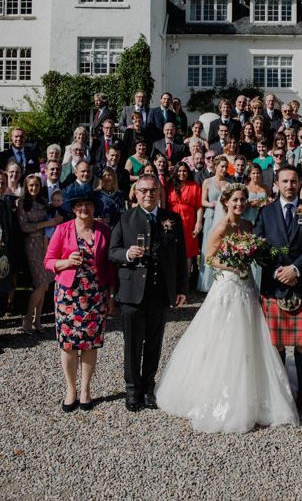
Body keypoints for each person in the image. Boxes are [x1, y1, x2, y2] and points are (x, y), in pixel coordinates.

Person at [155, 183, 299, 432]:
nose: (240, 204)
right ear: (226, 202)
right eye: (235, 200)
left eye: (243, 200)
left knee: (251, 334)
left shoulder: (247, 225)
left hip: (247, 284)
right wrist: (232, 265)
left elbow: (253, 250)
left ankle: (255, 389)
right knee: (225, 336)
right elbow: (209, 258)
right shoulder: (221, 225)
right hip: (228, 285)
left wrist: (249, 257)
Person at [109, 174, 187, 412]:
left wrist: (181, 288)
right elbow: (112, 252)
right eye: (143, 190)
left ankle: (148, 388)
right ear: (136, 192)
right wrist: (127, 254)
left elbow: (180, 257)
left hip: (160, 291)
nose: (148, 195)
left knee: (154, 343)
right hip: (132, 291)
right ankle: (132, 391)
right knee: (132, 344)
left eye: (153, 191)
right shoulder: (125, 218)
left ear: (159, 193)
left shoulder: (171, 219)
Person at [253, 165, 302, 418]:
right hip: (274, 286)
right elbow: (257, 245)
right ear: (277, 184)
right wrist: (277, 272)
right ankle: (281, 392)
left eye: (294, 181)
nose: (289, 185)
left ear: (299, 184)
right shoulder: (265, 212)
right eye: (285, 181)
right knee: (278, 345)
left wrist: (295, 269)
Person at [44, 193, 116, 412]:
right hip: (68, 295)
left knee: (90, 343)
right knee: (68, 344)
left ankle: (85, 389)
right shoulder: (63, 229)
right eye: (80, 205)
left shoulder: (104, 230)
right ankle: (70, 389)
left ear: (94, 209)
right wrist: (65, 262)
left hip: (96, 295)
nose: (84, 208)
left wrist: (112, 296)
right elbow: (48, 261)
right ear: (74, 209)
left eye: (88, 205)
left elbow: (111, 267)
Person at [18, 174, 62, 334]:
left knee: (45, 285)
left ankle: (38, 320)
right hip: (32, 245)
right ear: (26, 187)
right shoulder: (22, 203)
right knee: (41, 283)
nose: (33, 188)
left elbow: (53, 218)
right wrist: (46, 223)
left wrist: (55, 221)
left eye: (36, 185)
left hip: (47, 243)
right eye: (31, 186)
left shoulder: (44, 202)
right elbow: (24, 227)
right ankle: (27, 319)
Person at [166, 162, 203, 278]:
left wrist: (199, 222)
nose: (182, 173)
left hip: (189, 222)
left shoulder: (195, 186)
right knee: (173, 249)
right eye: (179, 171)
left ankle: (185, 280)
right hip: (173, 222)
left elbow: (199, 207)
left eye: (184, 171)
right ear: (176, 172)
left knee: (188, 250)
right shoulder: (170, 186)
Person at [198, 156, 230, 292]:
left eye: (225, 167)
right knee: (209, 247)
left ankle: (220, 280)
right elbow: (202, 201)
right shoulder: (208, 181)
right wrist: (211, 204)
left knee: (221, 247)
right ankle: (207, 282)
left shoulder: (229, 184)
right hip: (211, 217)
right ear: (215, 166)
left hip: (223, 219)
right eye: (221, 166)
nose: (223, 169)